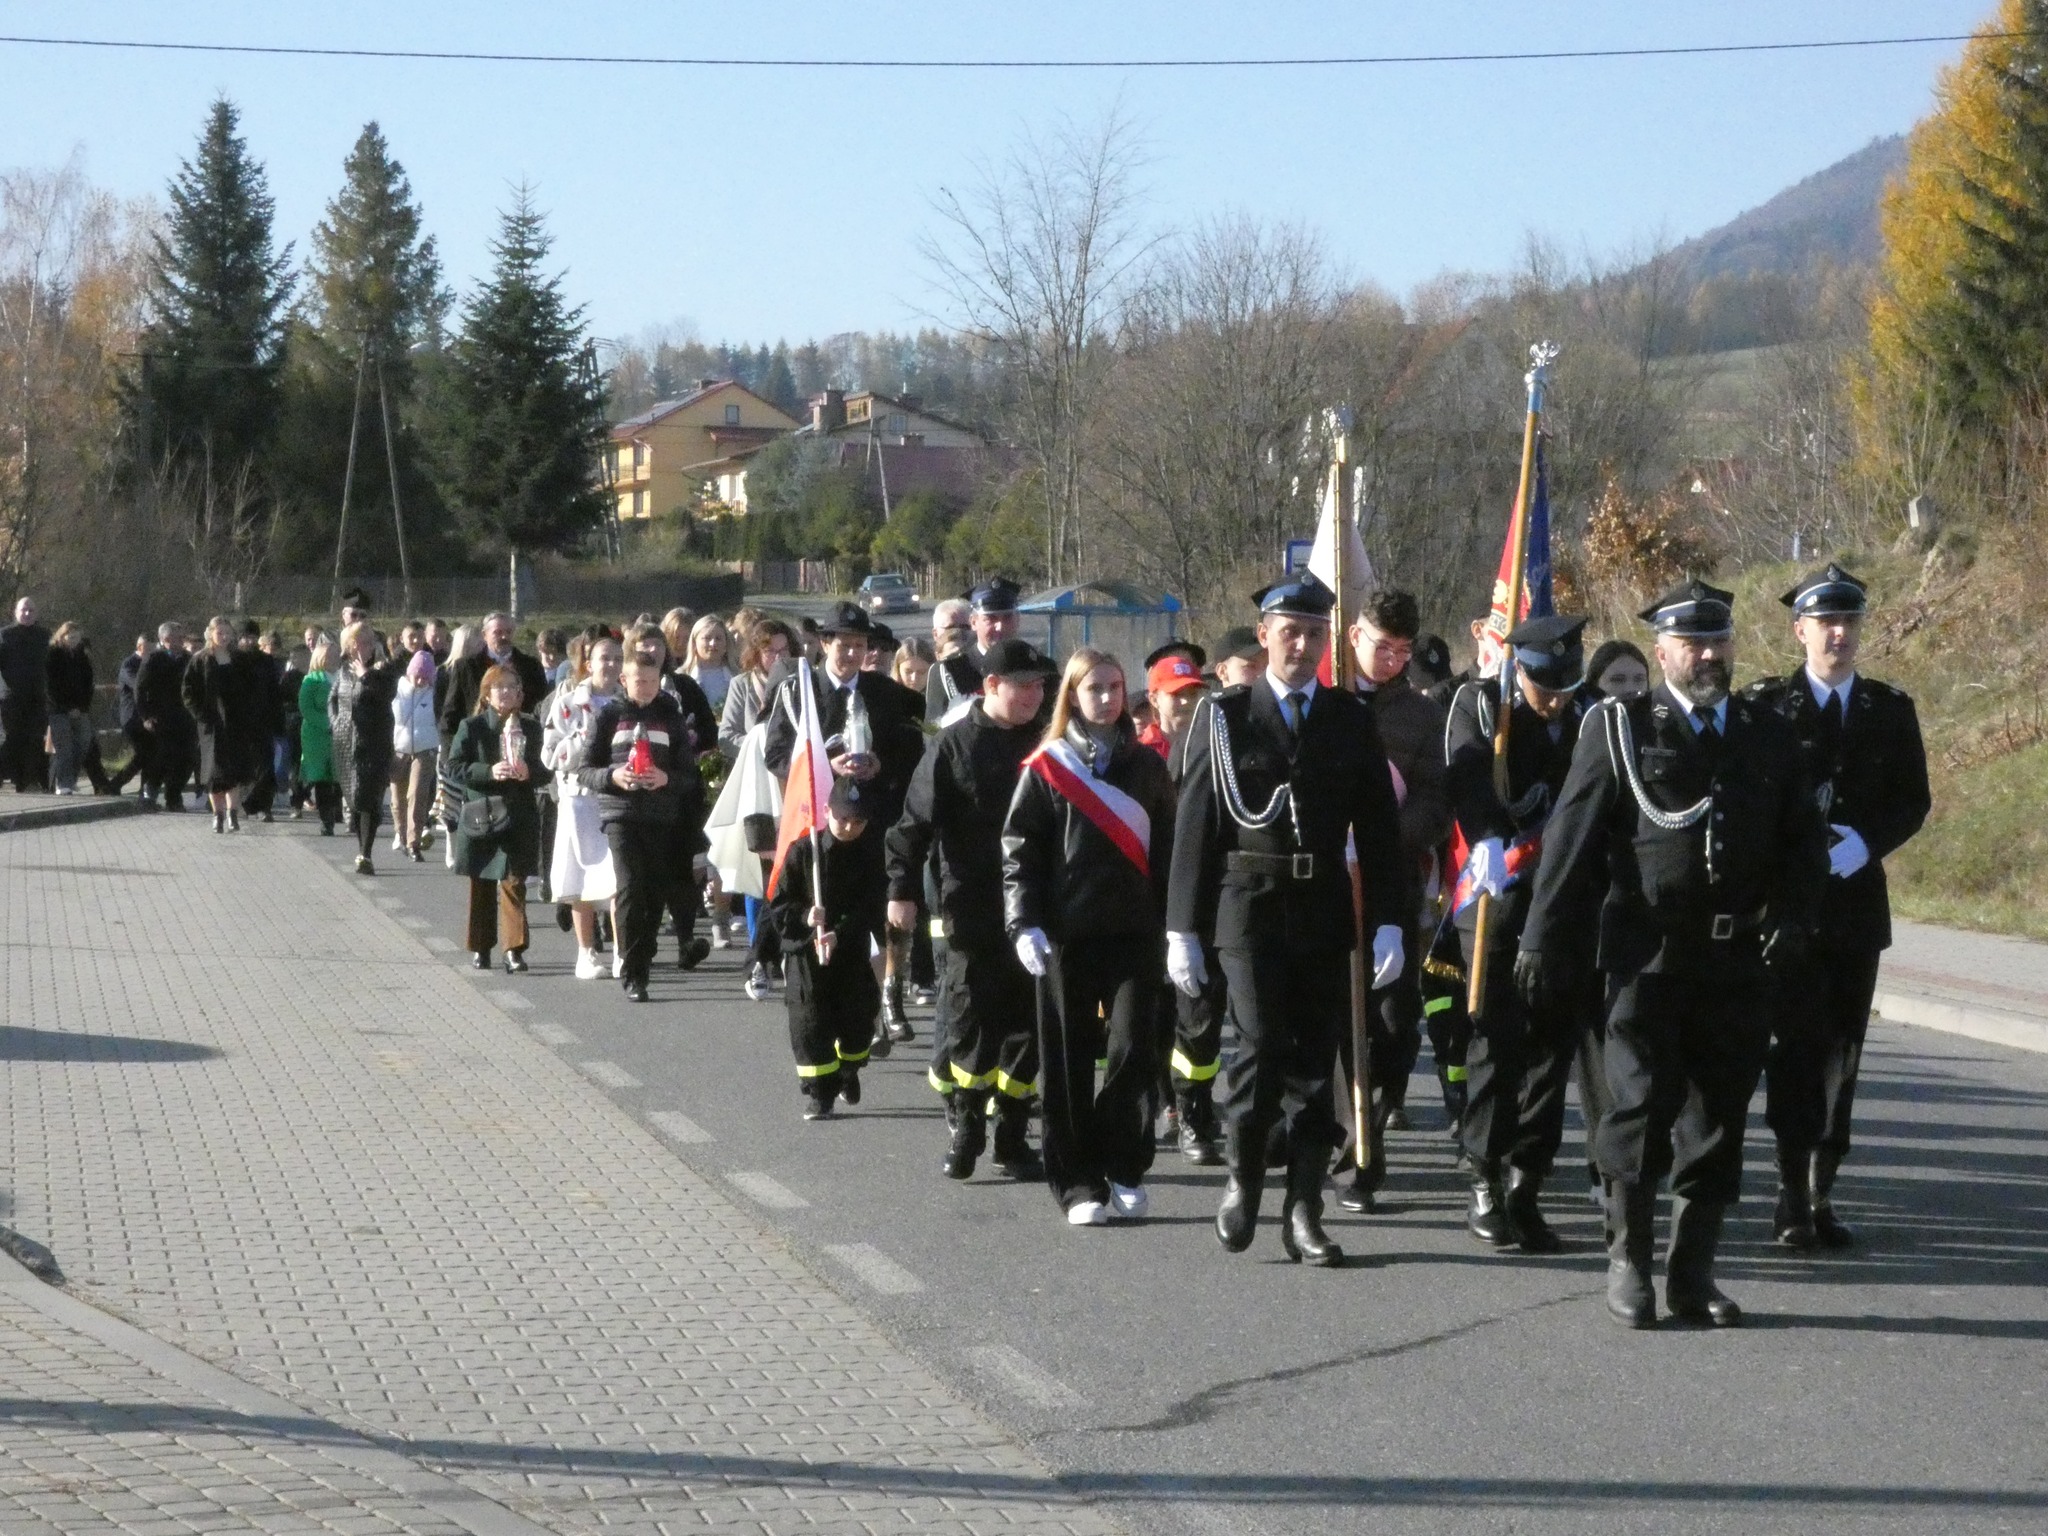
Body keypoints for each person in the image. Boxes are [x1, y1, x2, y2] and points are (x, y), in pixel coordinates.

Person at [1517, 577, 1827, 1328]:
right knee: (1636, 1107)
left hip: (1734, 959)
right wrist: (1542, 941)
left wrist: (1795, 916)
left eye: (1717, 640)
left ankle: (1693, 1272)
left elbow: (1802, 843)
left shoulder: (1768, 730)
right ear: (1661, 652)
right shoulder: (1620, 727)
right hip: (1645, 956)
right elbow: (1570, 844)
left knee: (1717, 1116)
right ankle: (1629, 1258)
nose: (1707, 655)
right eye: (1690, 643)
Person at [1165, 574, 1407, 1266]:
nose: (1302, 646)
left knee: (1313, 1059)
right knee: (1260, 1043)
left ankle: (1304, 1208)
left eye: (1314, 634)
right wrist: (1181, 925)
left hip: (1324, 904)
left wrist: (1388, 920)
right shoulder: (1226, 716)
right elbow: (1197, 823)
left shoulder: (1348, 719)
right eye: (1289, 632)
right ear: (1265, 635)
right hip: (1248, 904)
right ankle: (1244, 1177)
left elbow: (1380, 830)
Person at [1748, 564, 1930, 1251]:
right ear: (1799, 630)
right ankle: (1790, 1192)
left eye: (1849, 621)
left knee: (1843, 1055)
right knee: (1792, 1050)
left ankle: (1824, 1190)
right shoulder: (1764, 707)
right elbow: (1746, 799)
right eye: (1825, 622)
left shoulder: (1889, 709)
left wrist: (1868, 842)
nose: (1839, 633)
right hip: (1788, 910)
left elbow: (1913, 798)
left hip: (1854, 908)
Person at [1003, 648, 1176, 1225]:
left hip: (1134, 932)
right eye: (1094, 688)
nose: (1106, 697)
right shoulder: (1047, 767)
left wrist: (1179, 927)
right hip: (1065, 935)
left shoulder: (1148, 767)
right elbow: (1019, 851)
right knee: (1068, 1060)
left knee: (1133, 1051)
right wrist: (1022, 921)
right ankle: (1077, 1181)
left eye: (1115, 687)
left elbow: (1172, 851)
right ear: (1072, 696)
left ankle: (1124, 1165)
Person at [1441, 612, 1596, 1251]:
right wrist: (1485, 839)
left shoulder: (1591, 716)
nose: (1555, 699)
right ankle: (1484, 1177)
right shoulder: (1482, 706)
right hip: (1499, 904)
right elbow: (1467, 778)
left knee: (1551, 1054)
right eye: (1543, 687)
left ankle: (1527, 1184)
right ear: (1518, 671)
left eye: (1564, 685)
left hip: (1561, 908)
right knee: (1494, 1045)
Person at [887, 637, 1060, 1181]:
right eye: (1023, 687)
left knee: (1029, 1024)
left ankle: (1012, 1134)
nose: (1035, 697)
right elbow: (913, 825)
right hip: (972, 905)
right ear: (991, 686)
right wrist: (901, 890)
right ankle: (967, 1127)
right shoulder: (954, 747)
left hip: (1036, 906)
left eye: (1040, 687)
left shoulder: (1048, 745)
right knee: (971, 1022)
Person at [1336, 589, 1453, 1215]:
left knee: (1394, 1019)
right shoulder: (1326, 702)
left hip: (1393, 884)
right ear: (1354, 636)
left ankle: (1375, 1118)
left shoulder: (1421, 716)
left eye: (1404, 651)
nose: (1393, 661)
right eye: (1383, 647)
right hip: (1327, 882)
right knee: (1334, 1015)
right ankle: (1353, 1149)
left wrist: (1387, 838)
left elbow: (1436, 799)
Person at [767, 603, 925, 1037]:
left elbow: (910, 751)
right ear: (824, 644)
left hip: (876, 822)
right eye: (844, 645)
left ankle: (887, 994)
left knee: (882, 911)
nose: (852, 654)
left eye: (860, 646)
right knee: (832, 914)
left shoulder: (884, 694)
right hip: (820, 826)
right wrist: (824, 765)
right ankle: (834, 1004)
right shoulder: (800, 691)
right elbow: (776, 753)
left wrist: (881, 764)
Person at [579, 652, 703, 1001]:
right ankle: (633, 971)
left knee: (653, 893)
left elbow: (688, 777)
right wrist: (613, 776)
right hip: (620, 814)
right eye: (638, 681)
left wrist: (666, 777)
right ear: (624, 680)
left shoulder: (670, 715)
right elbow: (585, 769)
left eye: (651, 681)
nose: (645, 688)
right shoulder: (609, 715)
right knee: (630, 888)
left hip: (661, 817)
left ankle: (644, 952)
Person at [772, 775, 889, 1119]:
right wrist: (807, 916)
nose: (850, 827)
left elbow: (871, 905)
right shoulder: (802, 851)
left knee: (857, 1022)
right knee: (811, 1024)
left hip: (849, 949)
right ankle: (820, 1094)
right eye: (842, 819)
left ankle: (847, 1072)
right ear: (826, 812)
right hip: (807, 952)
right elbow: (778, 905)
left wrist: (840, 931)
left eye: (858, 821)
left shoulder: (870, 854)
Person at [449, 664, 546, 972]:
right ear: (487, 694)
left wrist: (530, 771)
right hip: (483, 814)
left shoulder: (531, 727)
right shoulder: (472, 726)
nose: (506, 693)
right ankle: (480, 946)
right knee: (481, 883)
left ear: (520, 694)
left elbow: (546, 768)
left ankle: (514, 949)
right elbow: (454, 766)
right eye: (499, 687)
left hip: (519, 815)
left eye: (512, 687)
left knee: (515, 882)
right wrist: (488, 771)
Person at [544, 632, 623, 979]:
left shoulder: (628, 701)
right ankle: (586, 952)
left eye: (618, 659)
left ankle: (623, 951)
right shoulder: (569, 702)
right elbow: (549, 754)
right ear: (589, 663)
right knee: (582, 875)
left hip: (619, 797)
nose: (612, 665)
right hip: (579, 798)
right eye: (605, 658)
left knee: (619, 876)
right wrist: (583, 737)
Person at [182, 616, 264, 833]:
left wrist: (248, 714)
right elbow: (188, 692)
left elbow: (252, 689)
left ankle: (232, 814)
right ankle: (217, 815)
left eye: (228, 633)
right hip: (211, 726)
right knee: (214, 773)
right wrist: (201, 714)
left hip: (236, 725)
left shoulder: (240, 660)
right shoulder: (200, 660)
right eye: (220, 633)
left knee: (234, 771)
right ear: (210, 634)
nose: (225, 637)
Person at [329, 621, 399, 873]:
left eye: (370, 641)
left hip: (374, 742)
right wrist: (336, 723)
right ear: (349, 645)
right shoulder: (344, 671)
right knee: (355, 797)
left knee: (370, 797)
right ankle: (361, 846)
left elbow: (387, 695)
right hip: (347, 743)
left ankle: (365, 854)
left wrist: (366, 676)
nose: (366, 646)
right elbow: (333, 699)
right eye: (361, 641)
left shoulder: (383, 670)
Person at [925, 579, 1021, 723]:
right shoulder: (948, 670)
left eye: (1007, 617)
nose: (1000, 626)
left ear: (1018, 619)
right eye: (991, 619)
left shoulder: (1040, 666)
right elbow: (931, 729)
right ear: (973, 622)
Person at [439, 613, 547, 738]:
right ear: (484, 635)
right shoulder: (465, 667)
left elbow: (541, 707)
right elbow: (451, 714)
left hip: (520, 739)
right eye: (498, 632)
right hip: (478, 742)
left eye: (508, 632)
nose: (504, 636)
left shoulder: (531, 666)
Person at [719, 617, 795, 763]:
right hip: (754, 768)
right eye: (770, 651)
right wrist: (763, 746)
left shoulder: (802, 682)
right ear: (757, 653)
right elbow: (726, 737)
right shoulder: (741, 684)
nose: (778, 657)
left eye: (784, 650)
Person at [390, 648, 440, 861]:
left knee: (417, 794)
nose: (420, 680)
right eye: (417, 674)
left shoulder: (435, 693)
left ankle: (414, 842)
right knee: (397, 798)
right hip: (398, 749)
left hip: (425, 749)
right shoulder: (397, 690)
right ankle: (400, 836)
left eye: (424, 676)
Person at [0, 596, 52, 791]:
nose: (27, 614)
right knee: (11, 739)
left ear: (36, 613)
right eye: (24, 610)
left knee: (34, 739)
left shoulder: (44, 636)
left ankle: (27, 781)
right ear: (16, 612)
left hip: (36, 697)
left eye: (31, 610)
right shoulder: (5, 635)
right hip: (11, 698)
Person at [45, 622, 94, 795]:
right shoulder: (53, 655)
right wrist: (66, 708)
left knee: (83, 743)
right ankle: (63, 783)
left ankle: (70, 779)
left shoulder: (82, 656)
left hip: (80, 709)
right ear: (62, 636)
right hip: (58, 709)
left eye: (77, 637)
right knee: (63, 747)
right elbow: (51, 686)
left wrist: (82, 707)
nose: (74, 640)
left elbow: (89, 683)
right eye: (70, 637)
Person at [298, 639, 341, 833]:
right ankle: (326, 820)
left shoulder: (343, 677)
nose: (333, 658)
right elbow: (306, 708)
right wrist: (328, 722)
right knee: (322, 778)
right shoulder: (312, 680)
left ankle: (337, 813)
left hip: (340, 734)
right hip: (317, 736)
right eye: (329, 655)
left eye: (335, 655)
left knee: (338, 777)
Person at [683, 615, 735, 714]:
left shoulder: (738, 677)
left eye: (718, 638)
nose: (713, 643)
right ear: (694, 643)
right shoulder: (681, 677)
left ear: (726, 644)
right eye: (707, 638)